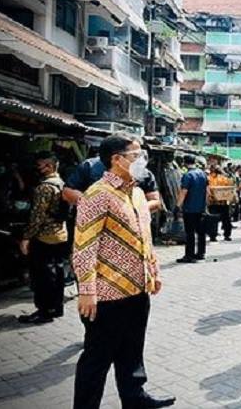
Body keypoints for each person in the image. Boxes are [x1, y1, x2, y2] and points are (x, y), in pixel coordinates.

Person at [72, 133, 174, 409]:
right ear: (116, 160)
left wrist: (154, 272)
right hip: (106, 295)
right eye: (135, 156)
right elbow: (84, 247)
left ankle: (134, 397)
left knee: (132, 350)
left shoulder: (138, 194)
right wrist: (87, 291)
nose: (143, 161)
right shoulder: (96, 195)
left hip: (137, 289)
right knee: (97, 358)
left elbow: (145, 238)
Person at [17, 151, 69, 325]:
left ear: (49, 166)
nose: (37, 168)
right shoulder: (61, 184)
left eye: (40, 165)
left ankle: (44, 311)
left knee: (42, 275)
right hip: (60, 234)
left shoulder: (44, 187)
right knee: (57, 272)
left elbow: (37, 216)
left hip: (44, 236)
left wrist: (26, 238)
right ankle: (56, 307)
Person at [176, 154, 208, 263]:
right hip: (201, 208)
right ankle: (201, 253)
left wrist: (177, 206)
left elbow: (184, 192)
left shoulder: (187, 175)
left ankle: (189, 255)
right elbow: (207, 191)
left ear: (184, 163)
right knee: (201, 232)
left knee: (190, 232)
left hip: (189, 208)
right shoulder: (203, 174)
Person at [207, 164, 235, 242]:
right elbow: (231, 188)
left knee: (213, 220)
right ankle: (227, 235)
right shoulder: (225, 179)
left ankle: (213, 236)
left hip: (213, 202)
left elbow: (208, 189)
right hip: (223, 202)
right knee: (226, 219)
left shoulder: (209, 178)